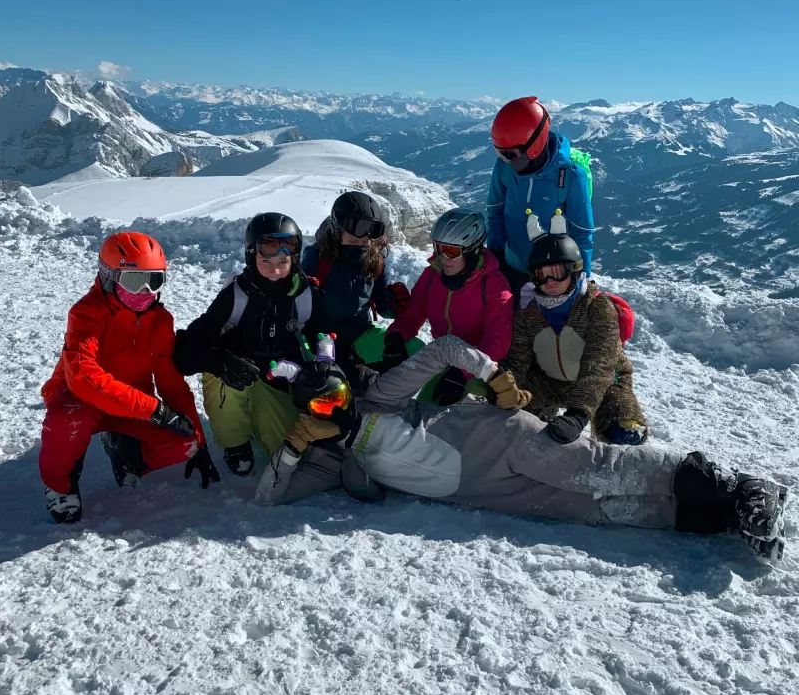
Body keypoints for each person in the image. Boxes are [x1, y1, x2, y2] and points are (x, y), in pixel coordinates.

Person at [254, 336, 787, 561]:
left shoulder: (377, 397)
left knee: (596, 467)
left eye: (336, 396)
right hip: (490, 493)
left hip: (498, 437)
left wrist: (496, 377)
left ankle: (734, 486)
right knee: (601, 509)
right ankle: (722, 519)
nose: (336, 409)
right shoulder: (328, 457)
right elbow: (267, 501)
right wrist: (294, 449)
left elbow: (444, 349)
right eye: (320, 410)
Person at [39, 232, 219, 524]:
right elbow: (84, 377)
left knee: (181, 443)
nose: (146, 291)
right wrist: (153, 409)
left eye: (155, 280)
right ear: (110, 277)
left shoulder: (160, 321)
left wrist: (199, 441)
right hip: (81, 401)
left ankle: (126, 456)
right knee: (68, 420)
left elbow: (171, 384)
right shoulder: (86, 314)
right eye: (135, 281)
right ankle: (61, 485)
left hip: (130, 404)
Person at [173, 212, 330, 477]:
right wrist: (219, 362)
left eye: (283, 261)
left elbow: (326, 343)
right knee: (222, 380)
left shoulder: (308, 297)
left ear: (295, 259)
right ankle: (235, 442)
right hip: (235, 380)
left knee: (290, 457)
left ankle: (258, 425)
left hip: (280, 386)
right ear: (251, 256)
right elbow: (185, 351)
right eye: (266, 260)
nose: (275, 270)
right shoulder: (235, 297)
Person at [504, 222, 648, 445]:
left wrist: (578, 415)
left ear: (573, 269)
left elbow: (598, 367)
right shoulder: (528, 311)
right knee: (507, 417)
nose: (549, 281)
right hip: (550, 382)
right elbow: (518, 360)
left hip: (606, 384)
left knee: (625, 433)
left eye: (557, 273)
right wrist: (503, 389)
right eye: (541, 274)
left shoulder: (596, 307)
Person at [384, 208, 513, 405]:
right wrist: (396, 337)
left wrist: (462, 373)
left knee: (453, 407)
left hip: (475, 365)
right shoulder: (433, 274)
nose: (443, 258)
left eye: (452, 251)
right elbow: (413, 314)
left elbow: (498, 341)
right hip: (441, 357)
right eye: (438, 248)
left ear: (471, 250)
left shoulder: (494, 284)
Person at [487, 96, 594, 302]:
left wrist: (582, 277)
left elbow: (582, 232)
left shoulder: (570, 176)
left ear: (534, 144)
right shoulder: (505, 168)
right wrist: (496, 254)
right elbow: (495, 211)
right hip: (511, 266)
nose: (505, 160)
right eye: (500, 154)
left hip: (553, 277)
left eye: (510, 154)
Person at [301, 191, 418, 367]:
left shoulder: (375, 260)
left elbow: (382, 305)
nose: (363, 241)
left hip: (360, 334)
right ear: (337, 230)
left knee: (418, 351)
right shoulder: (318, 258)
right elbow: (295, 303)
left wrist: (394, 304)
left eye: (368, 238)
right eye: (355, 237)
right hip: (320, 340)